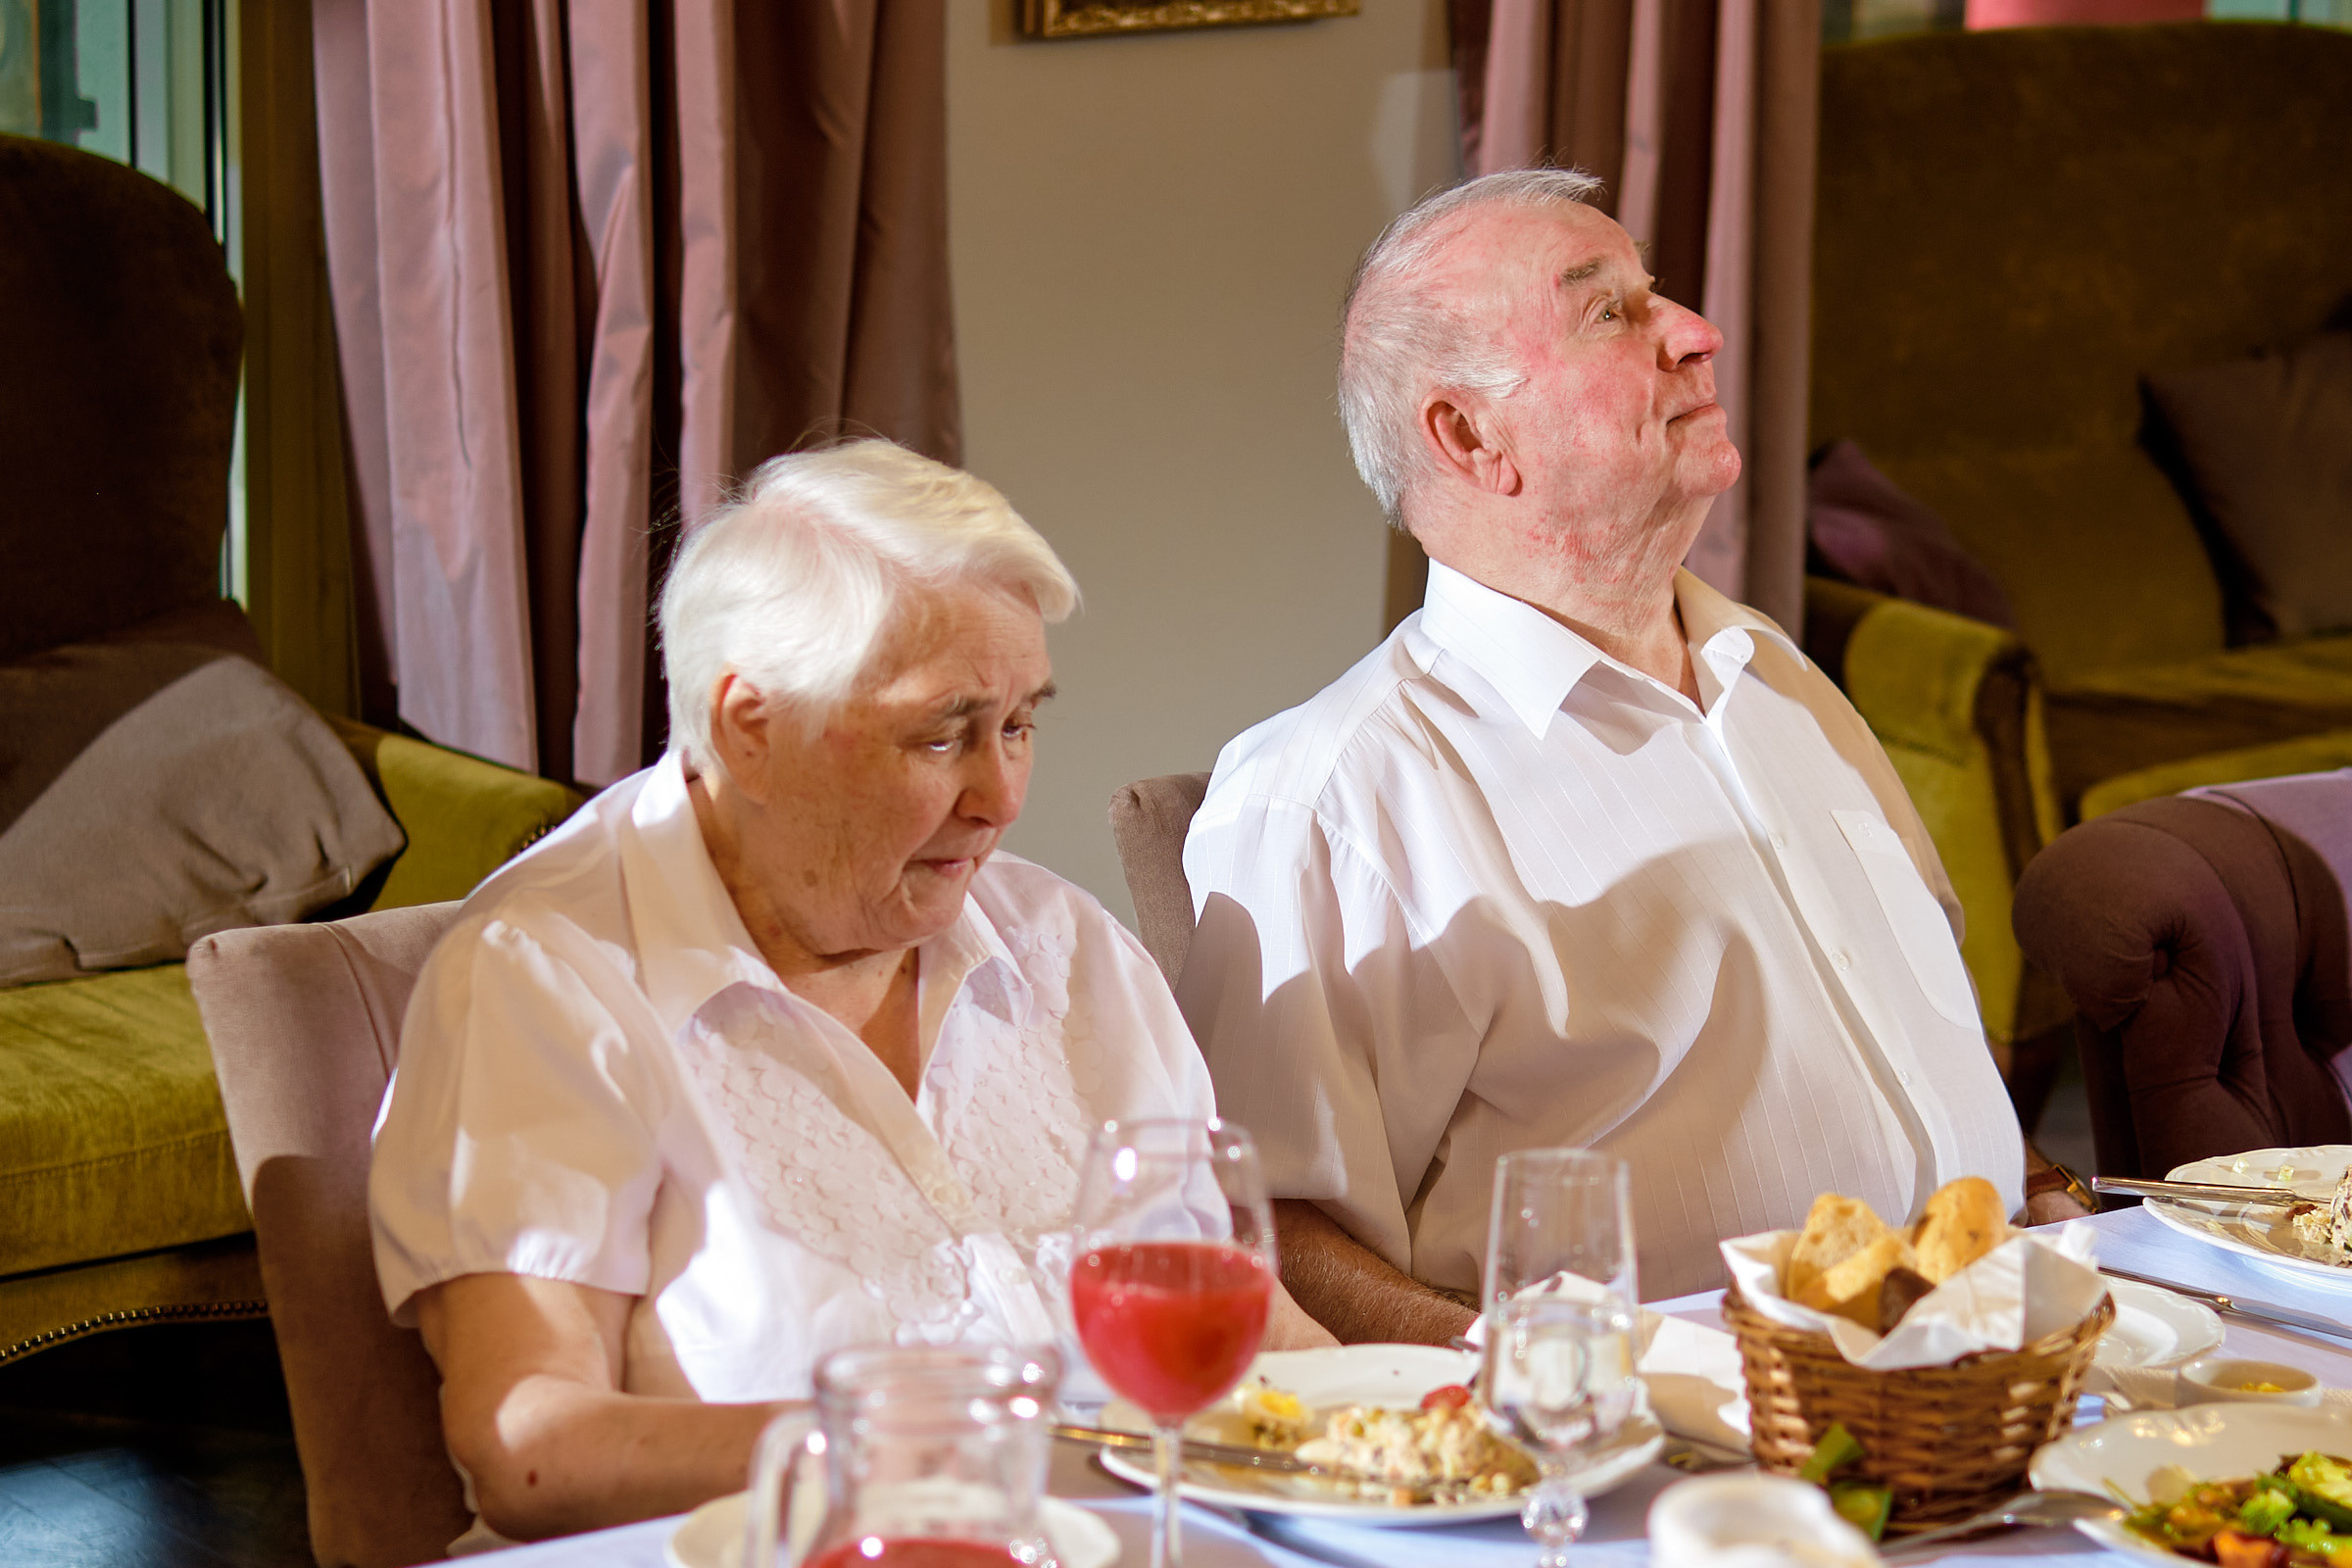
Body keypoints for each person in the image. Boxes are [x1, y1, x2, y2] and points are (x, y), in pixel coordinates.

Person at [1176, 169, 2084, 1346]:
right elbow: (1267, 1232)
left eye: (1658, 294)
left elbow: (1919, 1023)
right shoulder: (1336, 796)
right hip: (1668, 1436)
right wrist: (1557, 1383)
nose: (1698, 333)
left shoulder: (1775, 673)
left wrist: (2048, 1191)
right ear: (1469, 435)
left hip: (2015, 1360)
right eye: (1609, 311)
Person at [369, 441, 1333, 1544]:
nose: (1002, 796)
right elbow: (529, 1446)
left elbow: (1249, 1330)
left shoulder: (1065, 947)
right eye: (943, 734)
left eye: (1019, 725)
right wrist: (924, 1447)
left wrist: (1412, 1434)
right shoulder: (545, 978)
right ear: (751, 727)